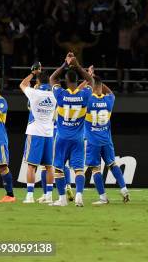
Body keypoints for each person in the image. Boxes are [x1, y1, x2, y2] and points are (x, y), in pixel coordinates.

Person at [49, 53, 94, 207]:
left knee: (58, 168)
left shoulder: (60, 95)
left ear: (66, 82)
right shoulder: (84, 95)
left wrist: (65, 64)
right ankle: (79, 196)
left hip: (61, 138)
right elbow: (90, 80)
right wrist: (77, 65)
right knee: (79, 169)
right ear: (76, 81)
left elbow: (52, 79)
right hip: (78, 139)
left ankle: (62, 199)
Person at [83, 72, 130, 205]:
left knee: (95, 169)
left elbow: (78, 93)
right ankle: (124, 189)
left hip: (93, 141)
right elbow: (112, 93)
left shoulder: (88, 100)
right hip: (106, 140)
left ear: (91, 86)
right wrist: (100, 84)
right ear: (101, 86)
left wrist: (88, 80)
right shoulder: (109, 100)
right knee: (112, 164)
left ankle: (103, 198)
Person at [19, 69, 57, 204]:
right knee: (49, 166)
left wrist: (33, 73)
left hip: (35, 132)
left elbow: (22, 84)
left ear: (38, 81)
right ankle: (49, 196)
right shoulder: (54, 94)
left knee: (31, 165)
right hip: (49, 133)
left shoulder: (34, 93)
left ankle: (29, 196)